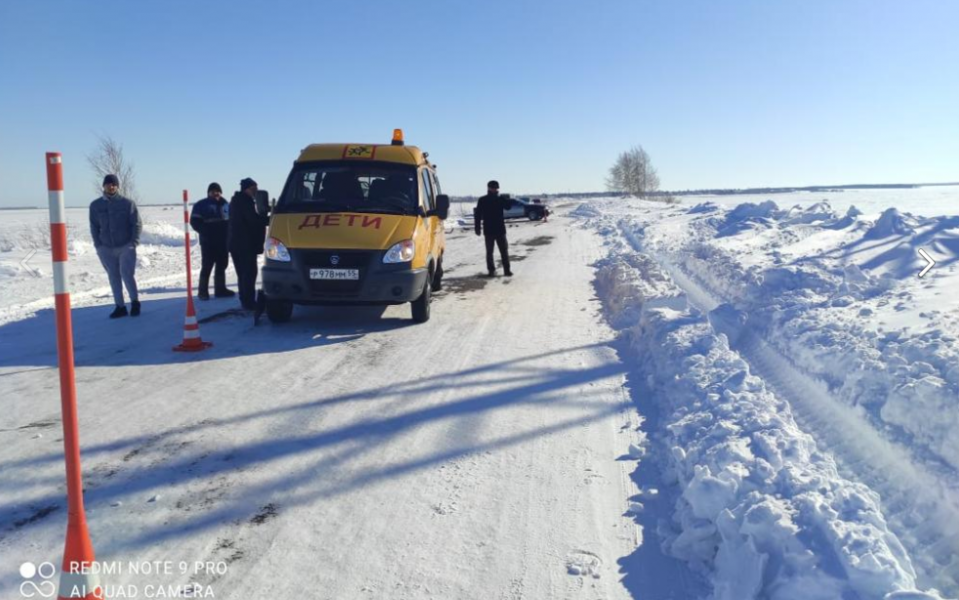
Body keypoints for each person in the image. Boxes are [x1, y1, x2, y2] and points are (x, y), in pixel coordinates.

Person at [90, 174, 142, 318]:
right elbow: (94, 226)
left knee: (127, 274)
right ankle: (120, 306)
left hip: (125, 245)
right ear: (104, 186)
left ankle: (135, 302)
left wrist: (133, 242)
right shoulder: (95, 205)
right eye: (108, 184)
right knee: (113, 276)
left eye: (113, 184)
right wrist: (98, 245)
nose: (111, 187)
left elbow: (136, 224)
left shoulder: (127, 204)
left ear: (117, 186)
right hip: (106, 247)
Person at [229, 177, 269, 310]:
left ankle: (246, 300)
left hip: (240, 244)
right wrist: (268, 219)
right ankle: (249, 302)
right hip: (244, 245)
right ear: (246, 189)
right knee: (248, 274)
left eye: (256, 188)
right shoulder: (243, 202)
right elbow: (252, 220)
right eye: (253, 189)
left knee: (244, 274)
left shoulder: (241, 201)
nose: (255, 191)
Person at [190, 182, 234, 300]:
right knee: (207, 265)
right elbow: (194, 221)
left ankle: (220, 289)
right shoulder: (201, 205)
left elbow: (231, 220)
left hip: (223, 240)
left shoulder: (225, 204)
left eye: (218, 191)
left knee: (222, 264)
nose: (216, 193)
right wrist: (206, 231)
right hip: (208, 241)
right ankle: (202, 291)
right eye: (213, 191)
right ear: (209, 192)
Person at [474, 180, 512, 277]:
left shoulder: (500, 199)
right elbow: (477, 215)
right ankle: (491, 271)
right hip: (489, 230)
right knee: (490, 252)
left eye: (496, 188)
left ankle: (507, 270)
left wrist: (506, 199)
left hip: (499, 230)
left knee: (504, 251)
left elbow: (508, 207)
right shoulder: (483, 200)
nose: (495, 189)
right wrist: (477, 227)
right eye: (494, 188)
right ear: (489, 188)